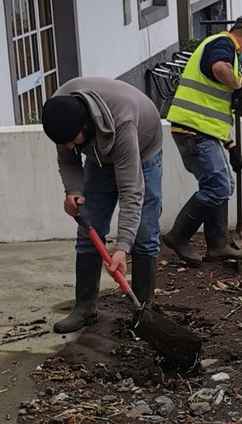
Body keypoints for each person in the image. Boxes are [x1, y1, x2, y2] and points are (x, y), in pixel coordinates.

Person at [41, 77, 163, 334]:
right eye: (66, 143)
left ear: (87, 123)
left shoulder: (123, 120)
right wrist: (73, 191)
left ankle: (142, 312)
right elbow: (68, 162)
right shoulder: (61, 115)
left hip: (142, 149)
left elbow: (131, 192)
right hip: (98, 160)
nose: (70, 147)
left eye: (74, 140)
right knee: (89, 228)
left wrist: (122, 248)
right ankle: (84, 308)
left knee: (143, 234)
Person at [163, 14, 242, 267]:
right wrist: (238, 89)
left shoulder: (226, 49)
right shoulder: (224, 44)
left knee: (222, 184)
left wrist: (231, 148)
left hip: (201, 131)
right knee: (218, 185)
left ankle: (218, 245)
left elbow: (213, 111)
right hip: (193, 131)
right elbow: (219, 68)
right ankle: (179, 236)